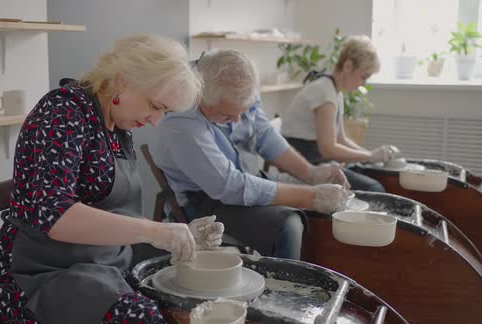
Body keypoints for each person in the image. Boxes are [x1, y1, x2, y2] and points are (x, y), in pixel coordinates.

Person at [0, 35, 225, 324]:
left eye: (165, 112)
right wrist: (156, 231)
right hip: (38, 274)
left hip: (100, 264)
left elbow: (113, 215)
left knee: (189, 301)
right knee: (141, 319)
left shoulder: (117, 125)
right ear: (123, 81)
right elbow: (53, 216)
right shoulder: (62, 113)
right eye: (155, 106)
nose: (156, 121)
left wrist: (180, 238)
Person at [149, 50, 351, 261]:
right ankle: (284, 289)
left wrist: (311, 173)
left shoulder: (239, 84)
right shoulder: (181, 120)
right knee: (288, 224)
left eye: (242, 112)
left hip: (244, 176)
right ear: (202, 100)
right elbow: (230, 186)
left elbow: (265, 135)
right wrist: (312, 196)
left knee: (323, 213)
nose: (238, 120)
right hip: (204, 199)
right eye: (227, 115)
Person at [280, 35, 400, 192]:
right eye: (364, 76)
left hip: (317, 157)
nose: (364, 83)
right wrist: (370, 156)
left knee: (375, 173)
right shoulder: (324, 93)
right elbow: (328, 149)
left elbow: (341, 139)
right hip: (305, 162)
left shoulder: (335, 91)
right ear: (348, 66)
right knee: (374, 188)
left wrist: (371, 156)